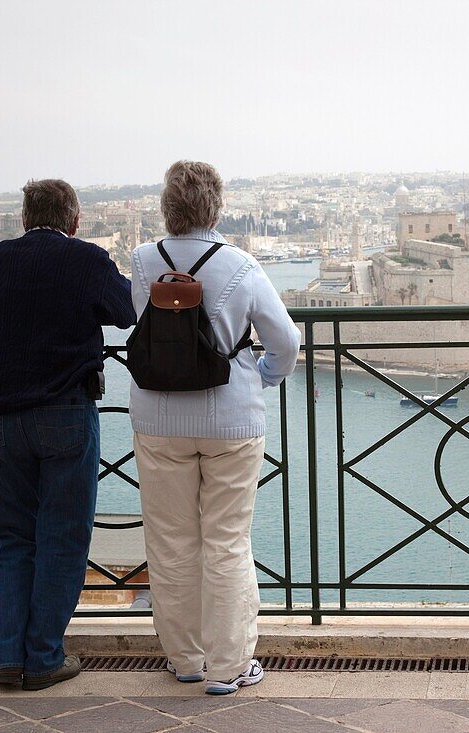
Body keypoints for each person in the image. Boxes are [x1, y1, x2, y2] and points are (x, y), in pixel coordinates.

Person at [130, 161, 299, 694]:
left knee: (171, 541)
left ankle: (185, 659)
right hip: (231, 420)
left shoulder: (139, 261)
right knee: (226, 540)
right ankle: (229, 668)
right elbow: (286, 343)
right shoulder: (241, 265)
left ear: (167, 206)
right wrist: (261, 378)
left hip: (157, 418)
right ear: (216, 206)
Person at [0, 179, 136, 691]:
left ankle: (5, 658)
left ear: (23, 218)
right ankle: (42, 657)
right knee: (62, 536)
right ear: (75, 220)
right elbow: (126, 312)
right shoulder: (88, 259)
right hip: (64, 410)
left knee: (13, 537)